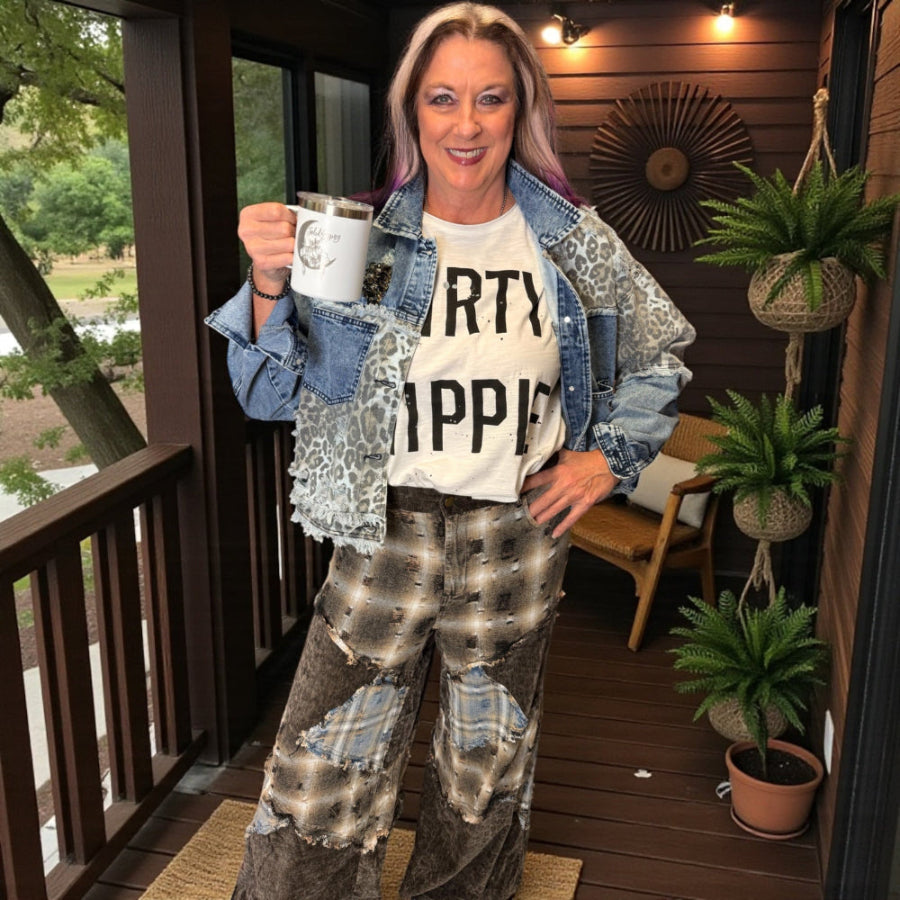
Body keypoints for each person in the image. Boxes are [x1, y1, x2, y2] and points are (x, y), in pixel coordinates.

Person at [206, 4, 694, 898]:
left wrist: (604, 463)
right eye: (442, 99)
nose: (466, 124)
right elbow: (266, 392)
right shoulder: (359, 241)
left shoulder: (571, 246)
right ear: (412, 114)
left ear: (521, 111)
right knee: (322, 768)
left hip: (516, 536)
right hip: (384, 531)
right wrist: (268, 283)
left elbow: (661, 354)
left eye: (490, 99)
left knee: (485, 770)